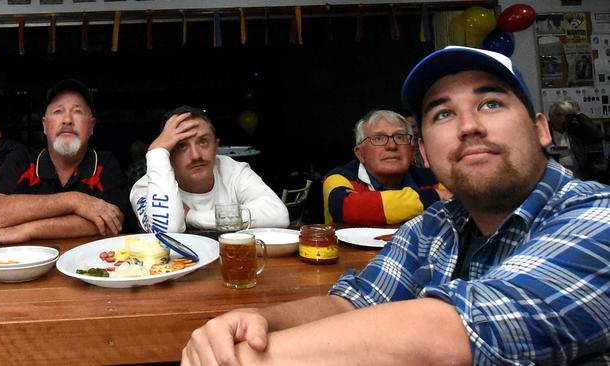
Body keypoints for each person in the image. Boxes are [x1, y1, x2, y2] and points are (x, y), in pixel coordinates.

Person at [181, 46, 610, 365]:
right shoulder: (435, 223)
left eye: (491, 103)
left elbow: (449, 333)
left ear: (541, 130)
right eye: (443, 114)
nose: (469, 126)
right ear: (426, 150)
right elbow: (352, 300)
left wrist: (243, 358)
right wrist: (254, 322)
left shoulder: (596, 219)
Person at [0, 79, 129, 246]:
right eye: (58, 111)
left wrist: (26, 230)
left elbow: (113, 221)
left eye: (78, 111)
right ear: (44, 126)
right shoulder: (21, 160)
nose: (67, 120)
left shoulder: (105, 163)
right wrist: (75, 201)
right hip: (22, 266)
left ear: (91, 126)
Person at [130, 105, 288, 232]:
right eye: (182, 146)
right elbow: (166, 232)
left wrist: (193, 216)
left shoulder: (234, 170)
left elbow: (278, 214)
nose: (196, 155)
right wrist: (156, 152)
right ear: (169, 154)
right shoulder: (146, 187)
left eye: (203, 142)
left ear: (216, 146)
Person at [322, 109, 451, 225]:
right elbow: (345, 208)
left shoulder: (435, 179)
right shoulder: (338, 178)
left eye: (400, 137)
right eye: (378, 138)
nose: (391, 146)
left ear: (411, 150)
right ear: (360, 154)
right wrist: (432, 197)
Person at [547, 100, 603, 180]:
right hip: (555, 177)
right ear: (551, 116)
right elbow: (548, 150)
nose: (563, 119)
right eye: (558, 115)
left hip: (579, 175)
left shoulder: (574, 129)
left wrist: (579, 114)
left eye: (567, 116)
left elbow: (597, 135)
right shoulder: (546, 131)